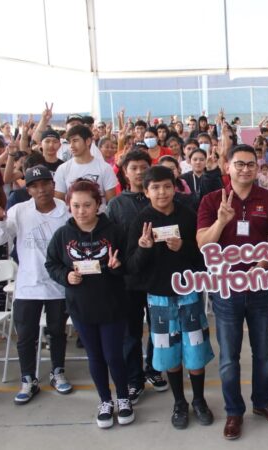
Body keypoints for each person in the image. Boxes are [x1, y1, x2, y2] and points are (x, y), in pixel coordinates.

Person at [196, 145, 268, 440]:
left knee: (263, 353)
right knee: (229, 356)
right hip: (225, 289)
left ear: (258, 168)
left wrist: (260, 266)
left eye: (251, 164)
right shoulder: (212, 201)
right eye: (239, 164)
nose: (245, 169)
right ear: (227, 166)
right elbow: (202, 243)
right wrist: (221, 220)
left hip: (260, 287)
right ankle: (234, 411)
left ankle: (261, 403)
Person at [126, 166, 214, 429]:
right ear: (146, 191)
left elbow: (204, 258)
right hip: (159, 298)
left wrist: (183, 248)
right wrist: (143, 249)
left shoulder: (188, 216)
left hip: (188, 294)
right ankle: (179, 403)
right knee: (169, 354)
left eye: (166, 186)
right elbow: (131, 266)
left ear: (175, 187)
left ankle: (199, 400)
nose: (162, 192)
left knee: (195, 350)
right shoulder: (140, 220)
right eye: (155, 187)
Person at [45, 180, 134, 429]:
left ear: (98, 205)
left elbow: (129, 263)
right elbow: (51, 263)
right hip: (81, 307)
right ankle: (105, 400)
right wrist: (66, 276)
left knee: (114, 355)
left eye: (87, 205)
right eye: (76, 205)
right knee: (94, 356)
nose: (81, 210)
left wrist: (119, 267)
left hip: (113, 305)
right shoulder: (63, 234)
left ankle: (124, 398)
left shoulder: (114, 231)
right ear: (68, 205)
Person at [0, 165, 73, 404]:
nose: (41, 189)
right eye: (34, 185)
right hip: (27, 284)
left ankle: (58, 372)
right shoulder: (18, 210)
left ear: (53, 185)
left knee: (57, 332)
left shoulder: (66, 211)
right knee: (26, 335)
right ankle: (28, 378)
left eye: (45, 183)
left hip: (58, 284)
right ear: (28, 188)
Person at [105, 151, 169, 402]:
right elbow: (111, 240)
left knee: (157, 327)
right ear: (124, 172)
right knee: (130, 331)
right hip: (129, 278)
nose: (140, 171)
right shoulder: (116, 204)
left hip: (157, 275)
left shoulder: (158, 198)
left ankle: (153, 369)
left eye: (144, 167)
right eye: (134, 167)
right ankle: (134, 378)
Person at [53, 125, 118, 208]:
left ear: (88, 141)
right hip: (71, 219)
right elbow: (59, 201)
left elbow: (111, 203)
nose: (71, 146)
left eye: (75, 141)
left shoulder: (105, 168)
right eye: (70, 142)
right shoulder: (62, 169)